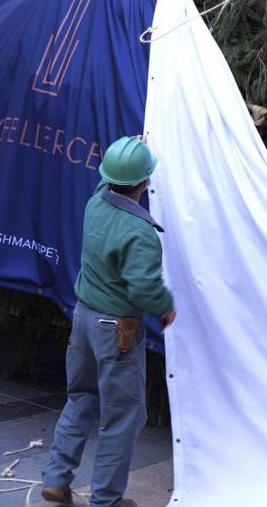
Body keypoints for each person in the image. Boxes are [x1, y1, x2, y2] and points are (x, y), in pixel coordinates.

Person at [41, 136, 176, 507]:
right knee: (123, 417)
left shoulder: (94, 203)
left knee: (80, 397)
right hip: (116, 330)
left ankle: (55, 480)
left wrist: (133, 148)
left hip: (83, 318)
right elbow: (144, 288)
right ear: (145, 184)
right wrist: (166, 307)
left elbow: (113, 178)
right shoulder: (140, 232)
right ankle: (106, 500)